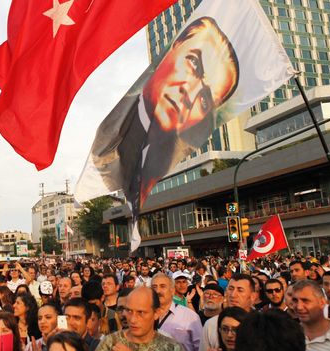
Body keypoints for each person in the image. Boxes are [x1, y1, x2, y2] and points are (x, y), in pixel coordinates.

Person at [90, 16, 239, 216]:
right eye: (194, 63)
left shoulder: (167, 160)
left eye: (205, 100)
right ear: (174, 47)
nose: (190, 94)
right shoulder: (110, 136)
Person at [151, 273, 202, 351]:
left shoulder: (190, 317)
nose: (158, 291)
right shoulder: (143, 315)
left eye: (163, 286)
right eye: (154, 287)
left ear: (172, 290)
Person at [198, 274, 256, 351]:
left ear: (252, 296)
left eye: (240, 290)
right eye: (231, 289)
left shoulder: (262, 324)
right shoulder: (211, 325)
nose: (233, 295)